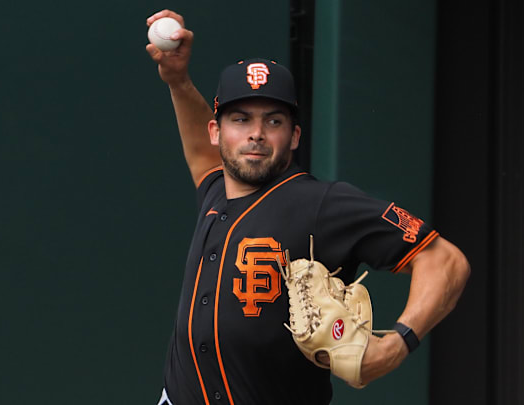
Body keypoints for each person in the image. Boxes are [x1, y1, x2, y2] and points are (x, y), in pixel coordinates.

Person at [145, 9, 470, 405]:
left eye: (274, 121)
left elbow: (445, 260)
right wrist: (178, 81)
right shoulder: (216, 191)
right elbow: (201, 154)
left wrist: (400, 342)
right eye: (240, 119)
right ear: (217, 132)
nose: (256, 134)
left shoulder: (323, 204)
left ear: (295, 135)